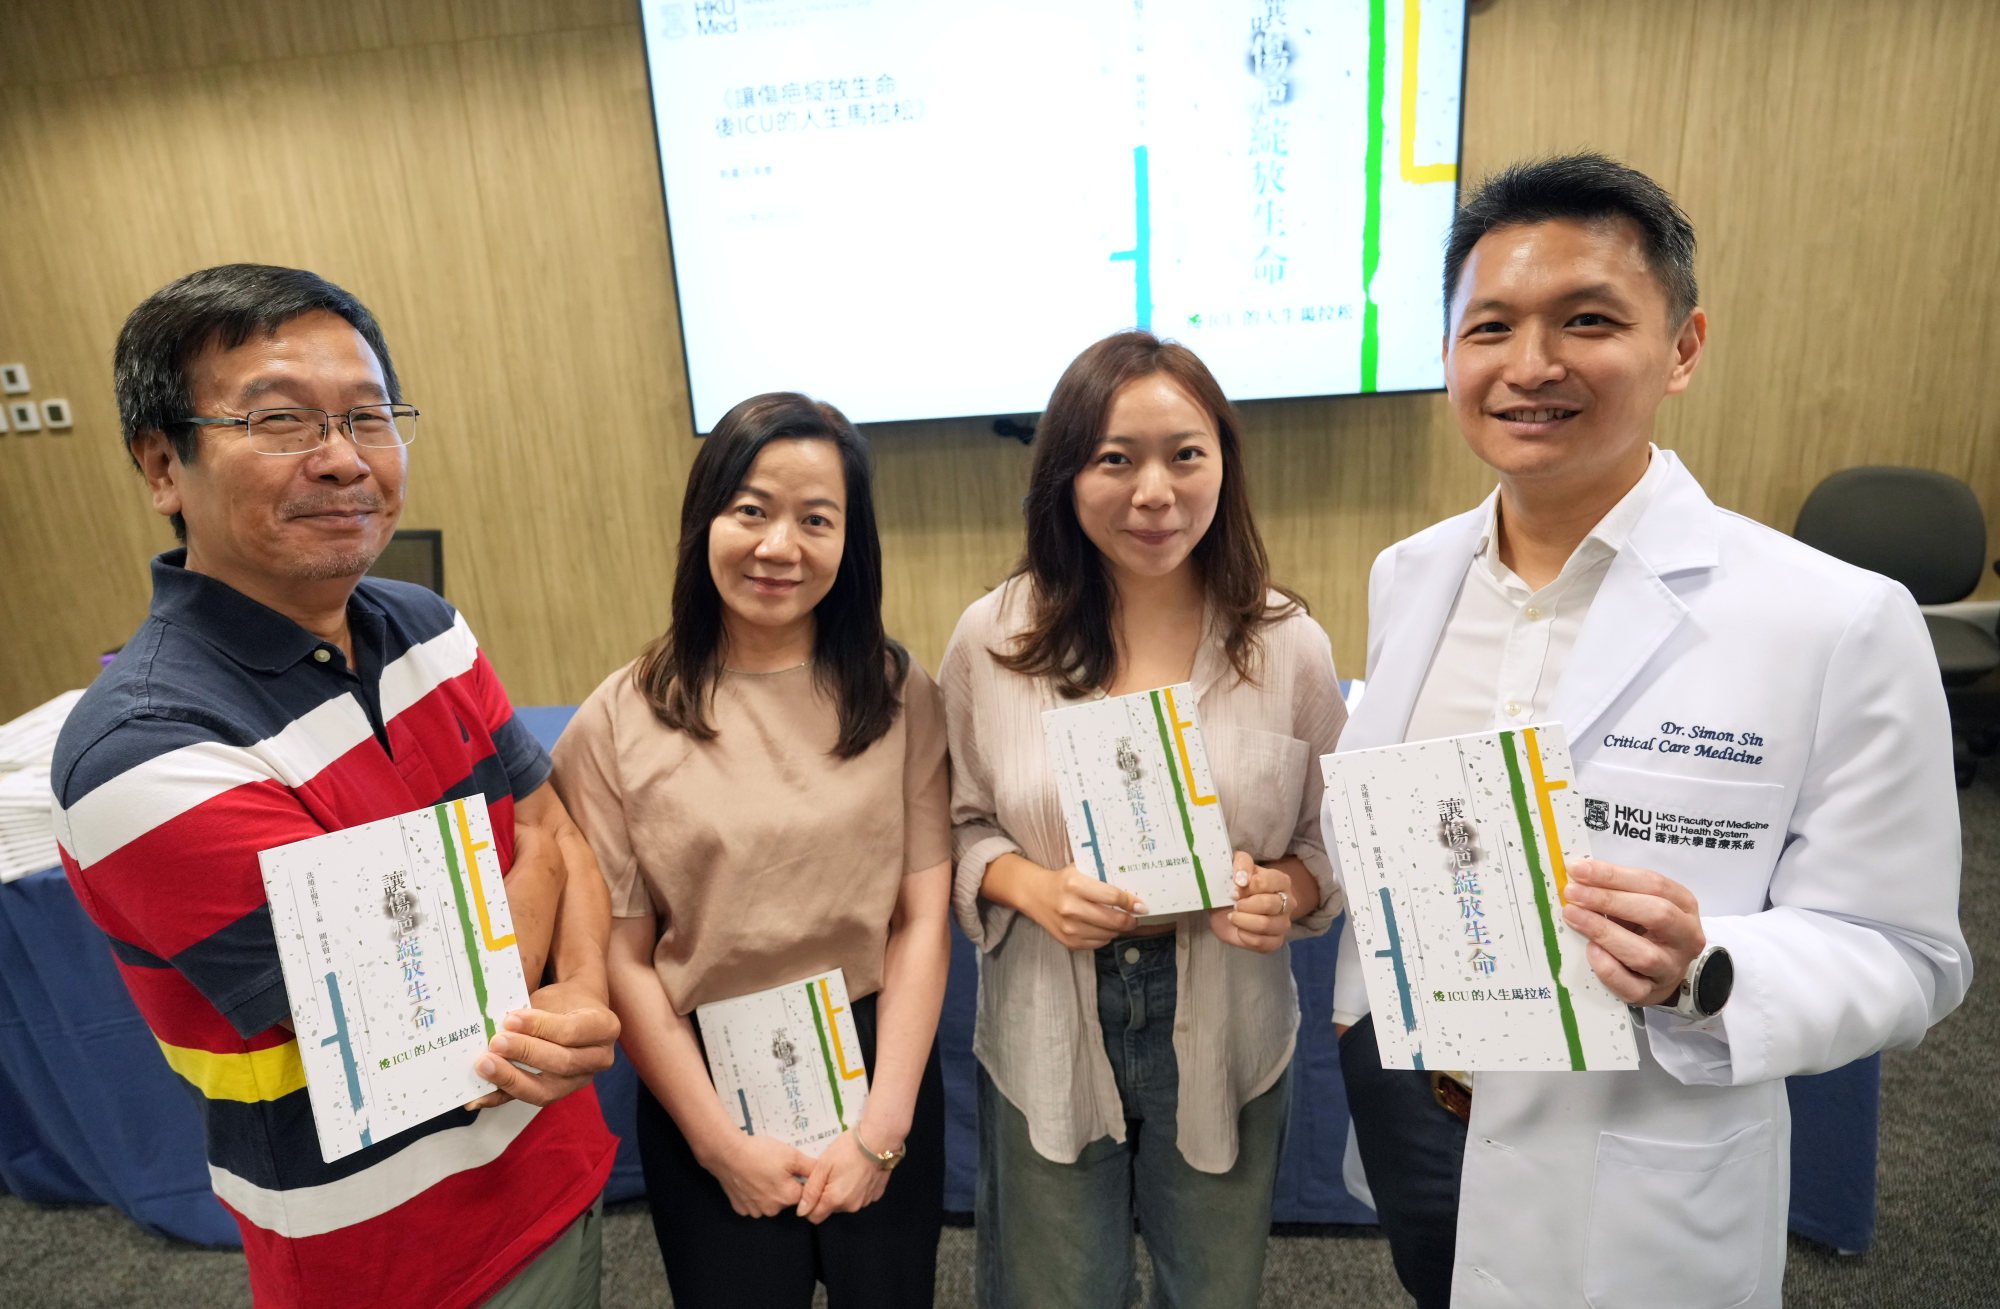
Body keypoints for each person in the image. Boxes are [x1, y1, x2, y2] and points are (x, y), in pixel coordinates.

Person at [1327, 154, 1972, 1308]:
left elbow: (1907, 953)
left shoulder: (1830, 620)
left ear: (1681, 347)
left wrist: (1702, 968)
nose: (1530, 364)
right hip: (1414, 1105)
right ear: (1447, 354)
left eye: (1585, 320)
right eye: (1489, 327)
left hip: (1629, 1155)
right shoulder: (1408, 575)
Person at [50, 264, 620, 1309]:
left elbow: (557, 827)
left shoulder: (425, 624)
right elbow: (416, 1026)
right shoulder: (142, 747)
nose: (344, 458)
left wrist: (580, 986)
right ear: (162, 465)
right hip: (391, 1261)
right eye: (279, 420)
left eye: (367, 416)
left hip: (552, 1162)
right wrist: (529, 885)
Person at [942, 330, 1347, 1307]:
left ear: (1223, 464)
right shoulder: (993, 637)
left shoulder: (1287, 644)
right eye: (1115, 459)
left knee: (1211, 1285)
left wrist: (1278, 892)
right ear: (1064, 476)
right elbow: (959, 825)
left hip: (1226, 1013)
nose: (1154, 492)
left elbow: (1328, 844)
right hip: (1048, 1004)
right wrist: (1031, 886)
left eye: (1184, 454)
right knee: (1054, 1288)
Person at [551, 392, 951, 1307]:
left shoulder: (898, 692)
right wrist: (718, 1145)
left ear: (851, 541)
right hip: (704, 1078)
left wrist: (882, 1128)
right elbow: (622, 955)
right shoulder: (617, 719)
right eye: (752, 510)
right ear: (706, 520)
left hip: (879, 1062)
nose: (780, 546)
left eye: (816, 520)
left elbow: (922, 918)